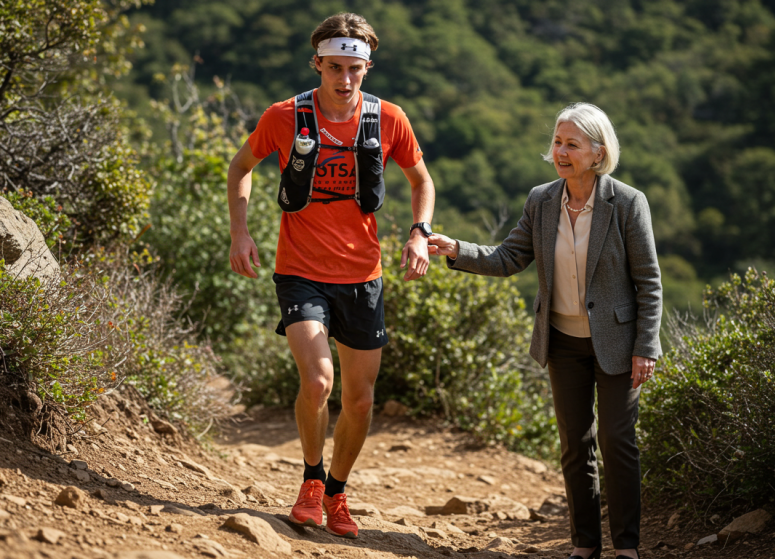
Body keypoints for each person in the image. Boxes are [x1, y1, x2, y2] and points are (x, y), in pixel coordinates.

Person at [226, 12, 435, 540]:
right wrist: (240, 233)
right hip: (300, 270)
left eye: (355, 68)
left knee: (360, 400)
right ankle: (312, 480)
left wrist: (419, 232)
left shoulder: (389, 119)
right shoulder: (284, 116)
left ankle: (337, 492)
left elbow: (421, 181)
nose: (345, 79)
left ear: (368, 67)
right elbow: (240, 168)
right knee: (318, 381)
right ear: (317, 63)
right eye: (335, 67)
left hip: (363, 274)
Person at [427, 103, 661, 559]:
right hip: (562, 343)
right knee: (575, 445)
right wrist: (456, 249)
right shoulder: (542, 200)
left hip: (618, 343)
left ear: (598, 153)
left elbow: (648, 282)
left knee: (617, 442)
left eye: (572, 144)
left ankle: (627, 548)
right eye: (557, 142)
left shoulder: (628, 203)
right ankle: (584, 546)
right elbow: (508, 257)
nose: (561, 152)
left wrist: (646, 346)